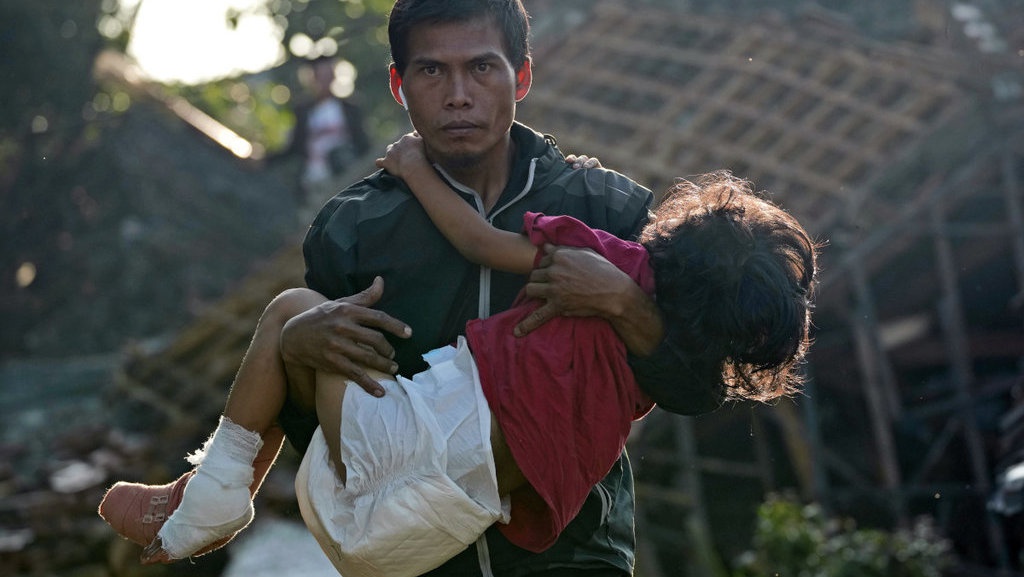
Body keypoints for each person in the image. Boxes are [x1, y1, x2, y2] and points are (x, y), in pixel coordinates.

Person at [102, 1, 725, 576]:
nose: (458, 95)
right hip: (418, 552)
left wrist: (623, 301)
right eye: (432, 71)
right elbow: (336, 438)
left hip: (572, 556)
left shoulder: (605, 209)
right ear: (399, 85)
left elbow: (696, 387)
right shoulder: (353, 229)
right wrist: (296, 347)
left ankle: (204, 496)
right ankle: (207, 497)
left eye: (482, 67)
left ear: (522, 76)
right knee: (296, 320)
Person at [97, 136, 817, 576]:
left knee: (291, 308)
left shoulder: (608, 248)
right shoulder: (658, 362)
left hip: (407, 466)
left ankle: (215, 490)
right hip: (438, 529)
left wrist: (414, 166)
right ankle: (209, 495)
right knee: (309, 332)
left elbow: (478, 240)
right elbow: (699, 383)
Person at [269, 55, 371, 209]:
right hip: (313, 180)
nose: (324, 80)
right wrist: (265, 160)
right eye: (320, 76)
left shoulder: (350, 108)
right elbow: (293, 147)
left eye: (327, 75)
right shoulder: (303, 111)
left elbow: (363, 143)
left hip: (345, 175)